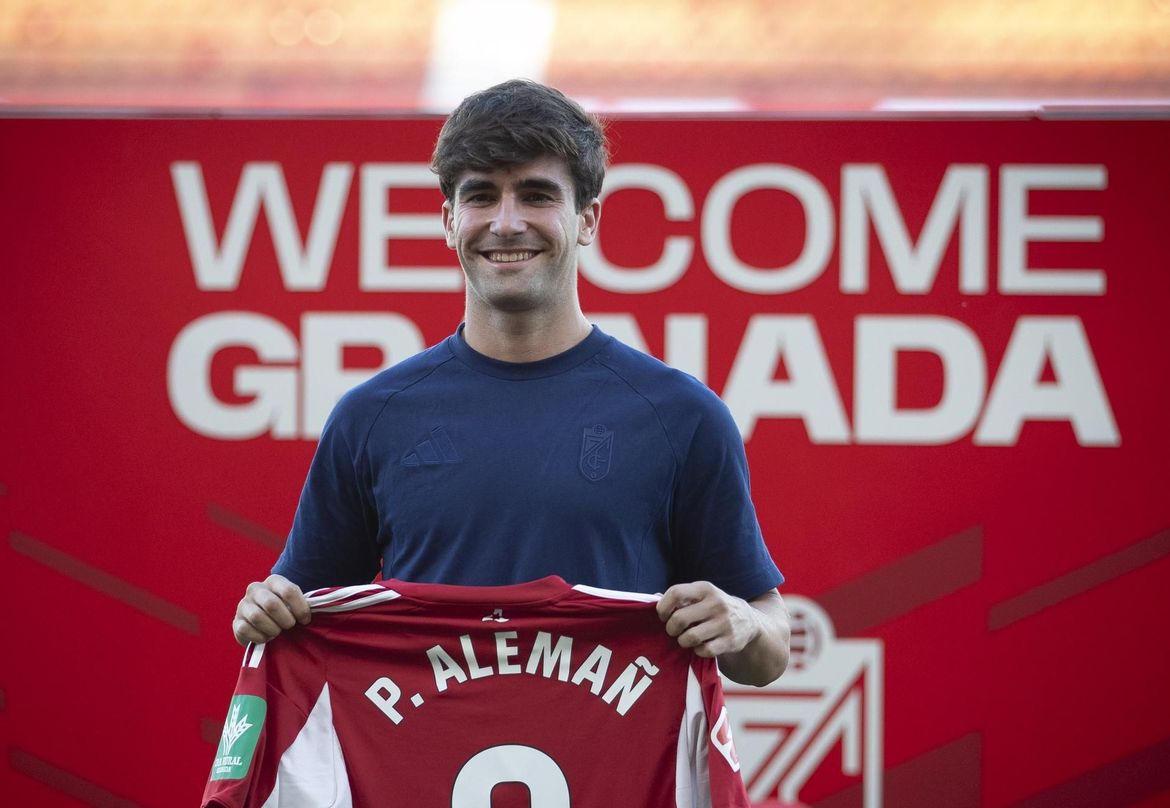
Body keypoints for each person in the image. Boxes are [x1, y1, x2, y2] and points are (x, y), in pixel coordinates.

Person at [231, 79, 789, 688]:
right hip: (418, 779)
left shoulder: (681, 416)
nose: (505, 222)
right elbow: (301, 620)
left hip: (615, 782)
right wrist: (265, 610)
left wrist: (744, 622)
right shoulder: (372, 416)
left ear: (587, 219)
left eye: (536, 195)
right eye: (481, 196)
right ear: (449, 221)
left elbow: (768, 650)